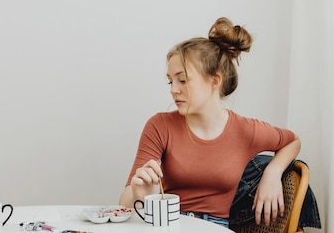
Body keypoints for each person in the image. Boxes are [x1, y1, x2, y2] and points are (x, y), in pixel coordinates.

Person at [118, 17, 301, 228]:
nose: (173, 89)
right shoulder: (159, 126)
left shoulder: (245, 130)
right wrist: (140, 193)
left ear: (214, 80)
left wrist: (273, 172)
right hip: (167, 225)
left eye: (183, 80)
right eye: (170, 80)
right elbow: (125, 202)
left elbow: (292, 140)